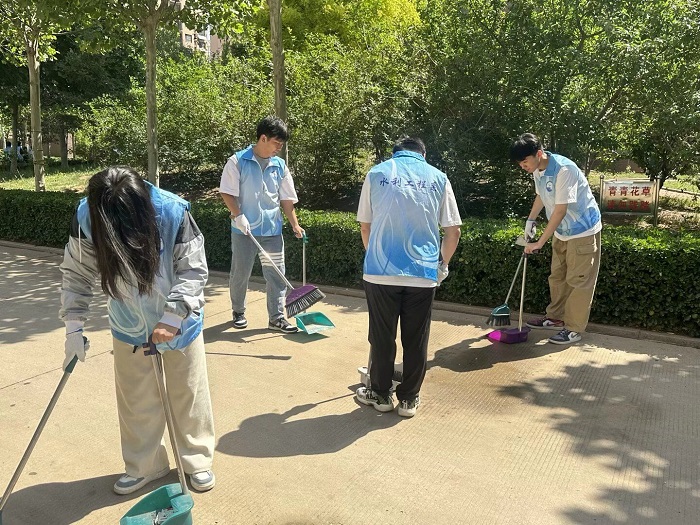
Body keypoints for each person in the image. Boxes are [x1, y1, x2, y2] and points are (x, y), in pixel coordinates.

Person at [59, 167, 216, 495]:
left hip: (180, 324)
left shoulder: (173, 212)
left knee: (188, 394)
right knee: (136, 401)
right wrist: (73, 327)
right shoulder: (88, 215)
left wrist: (172, 316)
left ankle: (196, 461)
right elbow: (77, 271)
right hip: (128, 322)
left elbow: (192, 269)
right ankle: (145, 466)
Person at [355, 137, 462, 417]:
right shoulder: (438, 177)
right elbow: (453, 232)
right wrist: (442, 266)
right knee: (416, 339)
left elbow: (365, 226)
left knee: (382, 336)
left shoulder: (376, 173)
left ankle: (380, 395)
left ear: (395, 154)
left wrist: (376, 258)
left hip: (380, 273)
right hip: (422, 274)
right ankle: (408, 400)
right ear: (423, 155)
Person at [510, 133, 602, 345]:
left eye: (524, 161)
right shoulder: (537, 169)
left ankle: (573, 329)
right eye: (520, 163)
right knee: (558, 276)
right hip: (562, 231)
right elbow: (541, 196)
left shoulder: (563, 170)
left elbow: (560, 210)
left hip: (583, 231)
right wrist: (530, 220)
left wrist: (539, 242)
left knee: (579, 281)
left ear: (538, 154)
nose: (523, 166)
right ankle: (555, 318)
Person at [219, 116, 304, 333]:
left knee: (277, 274)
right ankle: (238, 311)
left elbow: (286, 199)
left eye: (282, 144)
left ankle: (276, 318)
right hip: (244, 231)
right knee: (241, 274)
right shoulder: (237, 161)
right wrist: (238, 215)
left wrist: (294, 224)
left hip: (272, 231)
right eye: (277, 143)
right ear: (263, 138)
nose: (279, 148)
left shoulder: (280, 165)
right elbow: (227, 192)